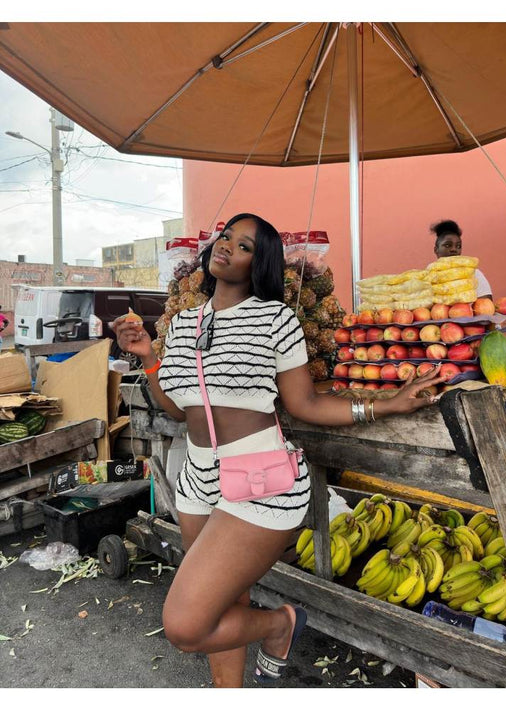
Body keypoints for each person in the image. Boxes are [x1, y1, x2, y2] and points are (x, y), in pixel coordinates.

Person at [113, 213, 445, 689]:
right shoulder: (185, 323)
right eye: (226, 237)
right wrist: (148, 357)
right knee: (226, 603)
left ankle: (281, 625)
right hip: (197, 477)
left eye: (244, 246)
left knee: (185, 624)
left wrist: (384, 405)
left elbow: (305, 403)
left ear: (258, 263)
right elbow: (180, 408)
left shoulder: (276, 318)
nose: (227, 247)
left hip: (259, 476)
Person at [429, 219, 492, 298]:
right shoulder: (429, 275)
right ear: (436, 250)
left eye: (458, 246)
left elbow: (486, 304)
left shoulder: (473, 273)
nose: (454, 249)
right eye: (448, 245)